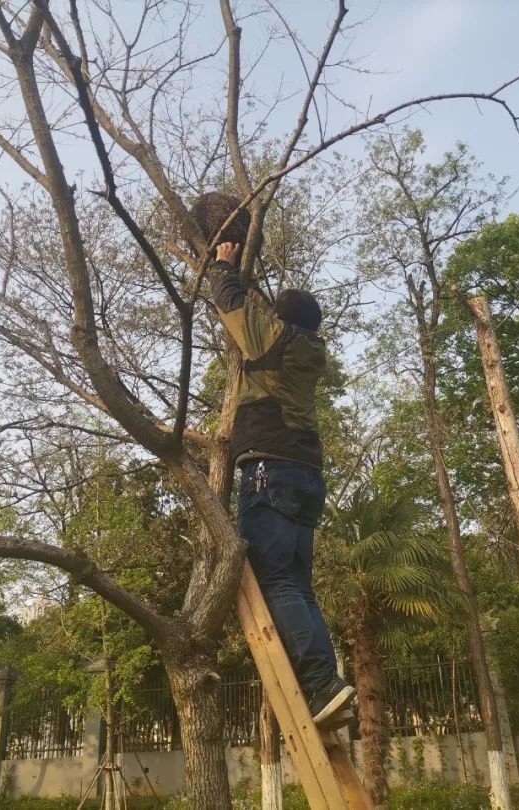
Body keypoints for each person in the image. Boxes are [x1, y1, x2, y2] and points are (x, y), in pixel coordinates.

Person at [190, 192, 356, 728]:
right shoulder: (304, 347)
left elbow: (233, 305)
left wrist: (221, 265)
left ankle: (318, 682)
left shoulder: (276, 340)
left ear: (281, 320)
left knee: (277, 580)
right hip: (305, 474)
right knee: (297, 584)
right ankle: (325, 685)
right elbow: (257, 311)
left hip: (272, 468)